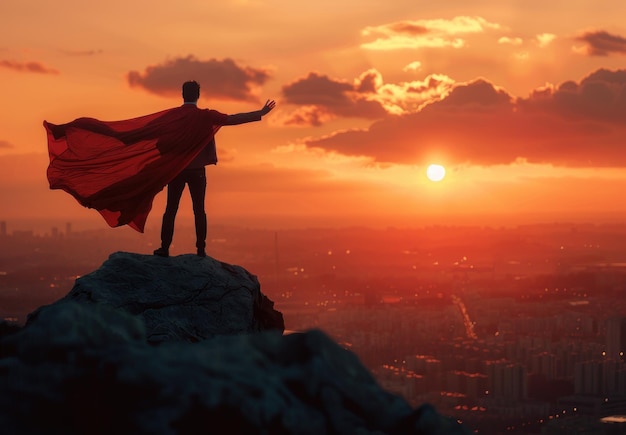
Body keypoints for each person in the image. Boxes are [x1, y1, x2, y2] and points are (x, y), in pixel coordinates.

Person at [153, 81, 275, 258]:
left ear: (182, 95)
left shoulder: (174, 116)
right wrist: (260, 113)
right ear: (198, 95)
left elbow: (156, 136)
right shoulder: (206, 116)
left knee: (171, 209)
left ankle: (164, 248)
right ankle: (201, 250)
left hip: (177, 170)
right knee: (199, 210)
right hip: (198, 171)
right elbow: (233, 119)